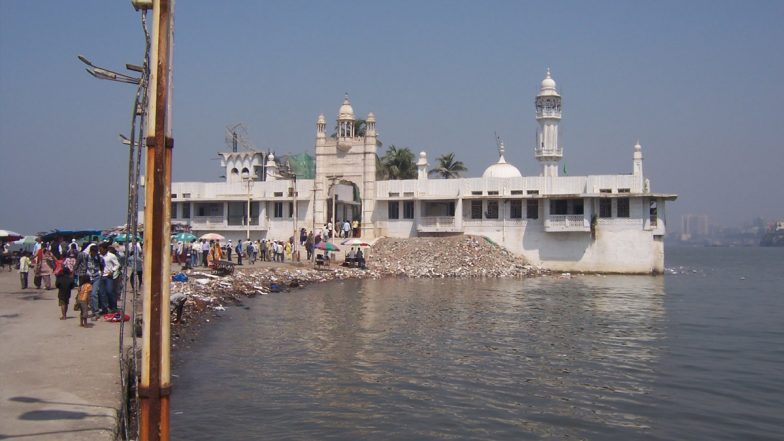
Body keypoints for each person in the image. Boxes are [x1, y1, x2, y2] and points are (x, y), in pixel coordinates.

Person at [55, 248, 77, 320]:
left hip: (61, 292)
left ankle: (63, 315)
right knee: (66, 303)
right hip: (68, 292)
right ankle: (65, 315)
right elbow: (72, 285)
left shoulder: (60, 278)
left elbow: (57, 285)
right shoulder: (70, 279)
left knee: (62, 304)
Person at [101, 244, 120, 314]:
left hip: (109, 276)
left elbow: (117, 264)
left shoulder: (111, 256)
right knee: (102, 293)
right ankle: (104, 309)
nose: (100, 251)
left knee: (110, 291)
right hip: (102, 276)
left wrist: (112, 271)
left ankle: (113, 307)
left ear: (105, 249)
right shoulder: (100, 256)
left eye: (101, 249)